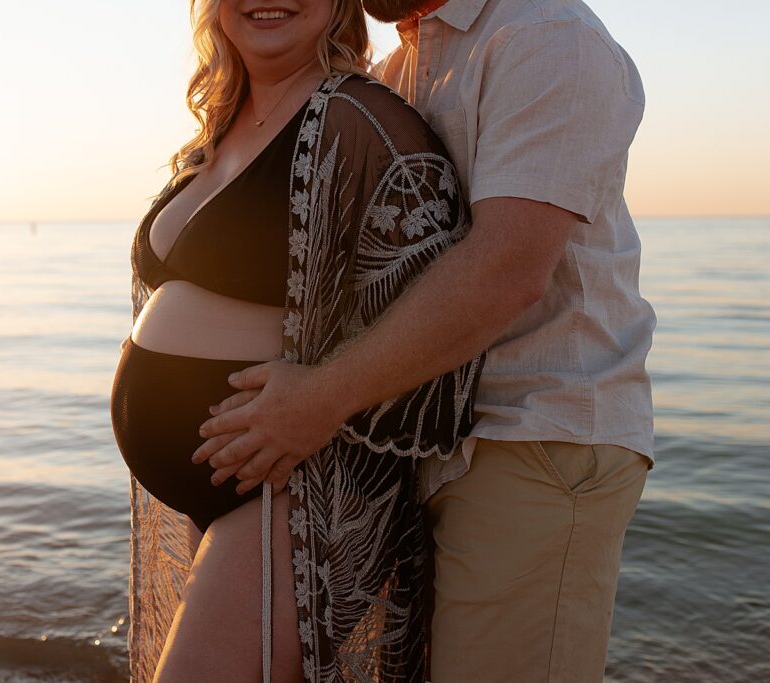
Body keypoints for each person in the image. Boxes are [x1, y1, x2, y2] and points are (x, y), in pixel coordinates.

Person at [194, 0, 657, 681]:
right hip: (421, 435)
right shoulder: (407, 62)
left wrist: (318, 399)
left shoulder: (548, 38)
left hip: (533, 434)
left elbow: (508, 270)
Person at [110, 0, 483, 680]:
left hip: (288, 491)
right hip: (216, 483)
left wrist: (323, 404)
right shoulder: (219, 125)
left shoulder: (367, 121)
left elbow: (440, 323)